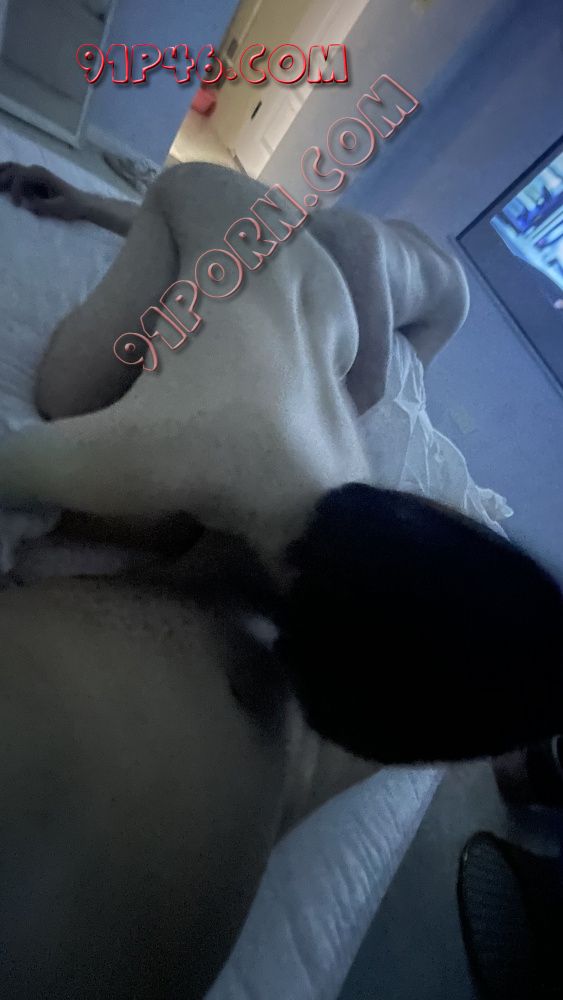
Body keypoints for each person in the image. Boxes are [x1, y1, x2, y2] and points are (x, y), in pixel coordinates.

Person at [0, 161, 561, 999]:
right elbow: (18, 466)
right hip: (210, 209)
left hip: (293, 290)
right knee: (68, 388)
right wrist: (91, 204)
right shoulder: (195, 449)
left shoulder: (334, 476)